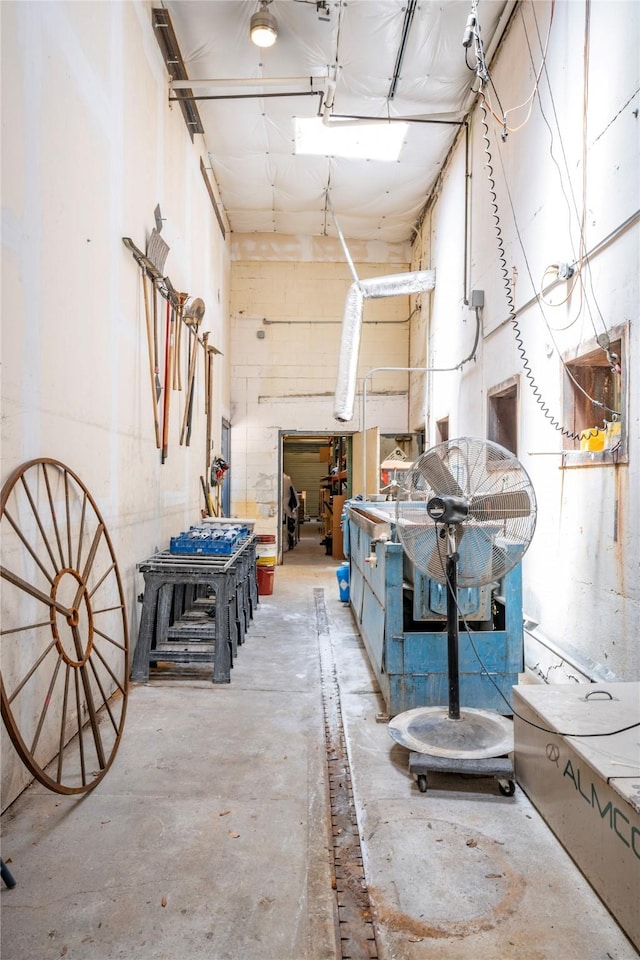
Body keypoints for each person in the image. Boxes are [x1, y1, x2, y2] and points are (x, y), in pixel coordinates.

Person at [282, 473, 299, 550]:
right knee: (287, 526)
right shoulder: (286, 479)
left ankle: (287, 543)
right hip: (287, 508)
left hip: (285, 508)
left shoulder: (284, 478)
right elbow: (293, 495)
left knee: (286, 526)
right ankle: (288, 543)